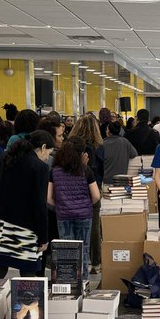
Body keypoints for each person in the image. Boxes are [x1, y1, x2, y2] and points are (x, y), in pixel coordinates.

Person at [0, 130, 55, 279]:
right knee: (28, 272)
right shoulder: (40, 168)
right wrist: (43, 238)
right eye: (49, 151)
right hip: (25, 227)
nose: (48, 156)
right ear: (43, 147)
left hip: (0, 223)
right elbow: (40, 205)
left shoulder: (6, 158)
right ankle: (28, 303)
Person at [48, 138, 100, 279]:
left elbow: (48, 198)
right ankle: (83, 284)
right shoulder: (85, 170)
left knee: (67, 251)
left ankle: (69, 284)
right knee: (83, 250)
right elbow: (96, 195)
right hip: (84, 215)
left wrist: (59, 206)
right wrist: (87, 204)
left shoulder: (55, 171)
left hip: (63, 216)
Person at [69, 113, 104, 270]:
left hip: (71, 190)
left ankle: (74, 261)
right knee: (94, 227)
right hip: (92, 188)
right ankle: (96, 261)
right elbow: (100, 171)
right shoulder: (97, 148)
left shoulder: (70, 146)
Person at [101, 118, 139, 184]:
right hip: (122, 180)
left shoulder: (103, 144)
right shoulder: (125, 142)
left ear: (108, 132)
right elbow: (134, 153)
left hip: (106, 180)